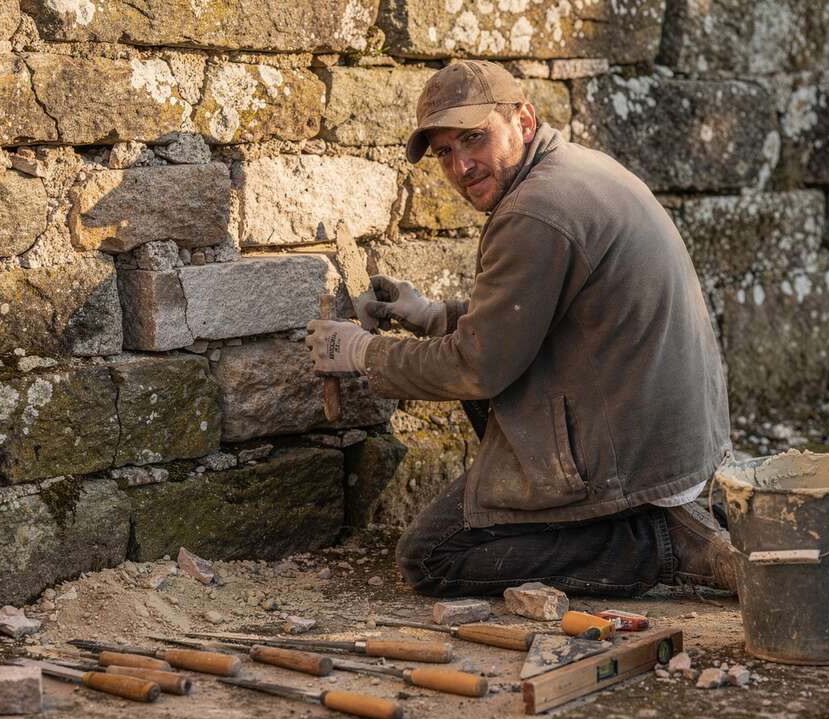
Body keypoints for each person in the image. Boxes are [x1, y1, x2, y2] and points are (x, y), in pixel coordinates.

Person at [304, 60, 738, 598]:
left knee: (431, 557)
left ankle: (655, 544)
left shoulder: (534, 213)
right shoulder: (575, 170)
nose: (462, 165)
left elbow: (476, 367)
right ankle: (657, 516)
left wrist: (363, 354)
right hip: (669, 441)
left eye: (473, 138)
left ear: (524, 121)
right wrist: (431, 315)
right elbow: (529, 321)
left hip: (639, 459)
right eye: (444, 152)